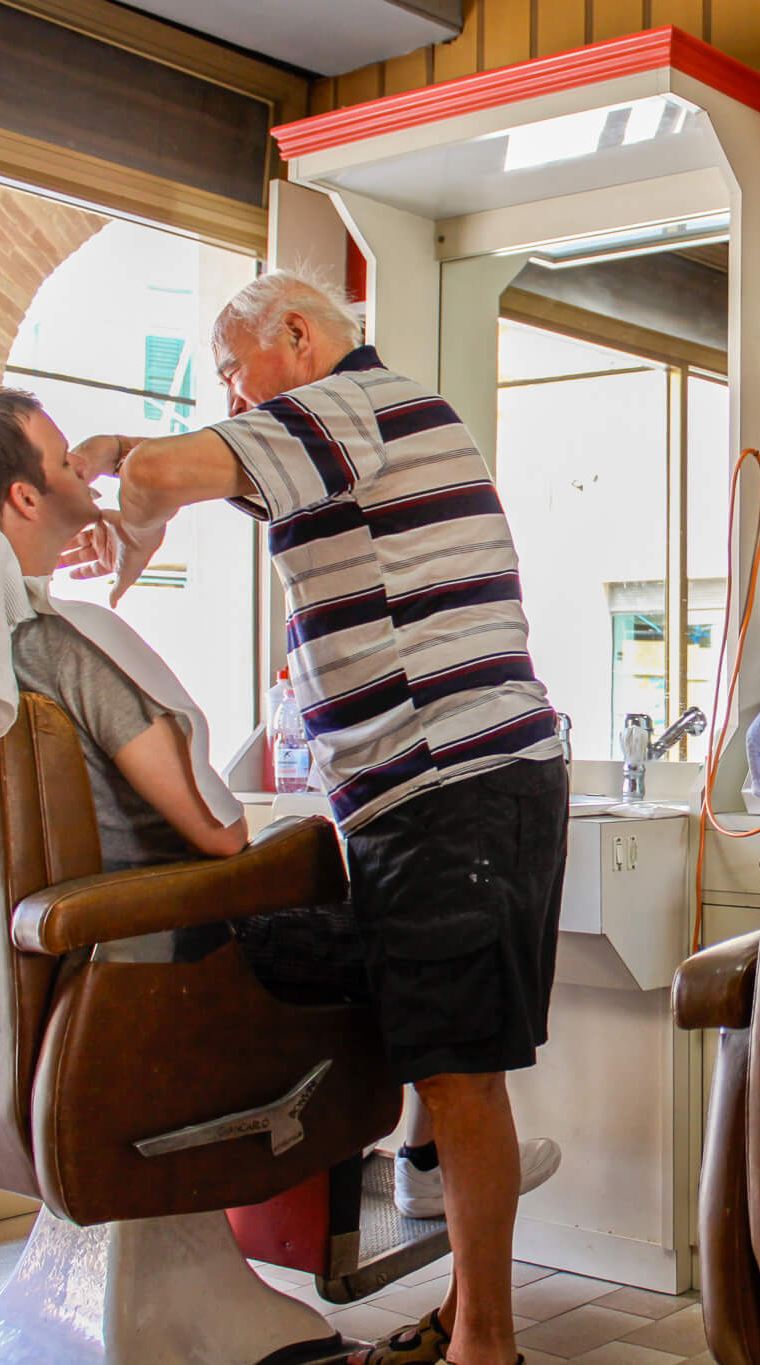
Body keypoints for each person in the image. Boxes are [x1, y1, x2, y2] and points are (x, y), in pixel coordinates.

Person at [66, 272, 566, 1365]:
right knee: (443, 1062)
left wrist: (132, 507)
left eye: (235, 378)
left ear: (297, 338)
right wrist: (129, 472)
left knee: (456, 1075)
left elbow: (161, 470)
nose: (235, 406)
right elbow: (198, 475)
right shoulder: (336, 439)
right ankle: (464, 1316)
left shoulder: (350, 406)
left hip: (453, 780)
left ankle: (486, 1346)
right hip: (432, 786)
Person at [0, 387, 363, 997]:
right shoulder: (61, 648)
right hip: (147, 964)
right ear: (24, 497)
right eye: (65, 460)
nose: (84, 473)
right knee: (410, 933)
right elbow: (221, 836)